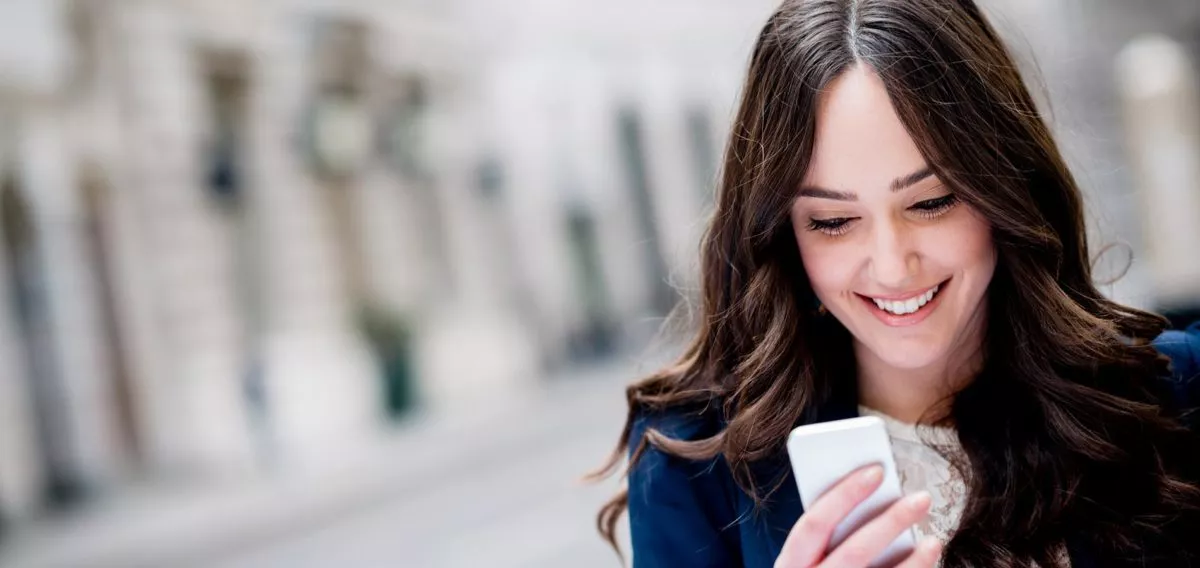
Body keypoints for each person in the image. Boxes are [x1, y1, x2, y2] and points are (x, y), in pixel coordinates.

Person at [588, 1, 1200, 566]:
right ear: (783, 233)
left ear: (1004, 190)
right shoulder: (692, 464)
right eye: (833, 221)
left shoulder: (1172, 399)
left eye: (931, 202)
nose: (890, 265)